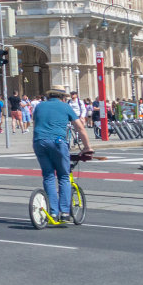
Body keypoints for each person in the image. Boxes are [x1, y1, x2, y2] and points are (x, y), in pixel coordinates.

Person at [32, 88, 92, 223]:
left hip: (39, 142)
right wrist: (87, 147)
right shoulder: (65, 107)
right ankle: (64, 212)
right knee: (64, 176)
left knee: (48, 176)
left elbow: (35, 125)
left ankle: (53, 212)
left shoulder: (39, 106)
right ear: (63, 97)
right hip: (57, 143)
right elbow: (80, 128)